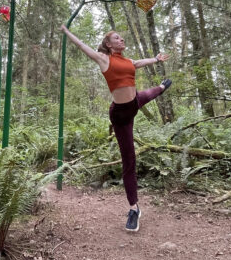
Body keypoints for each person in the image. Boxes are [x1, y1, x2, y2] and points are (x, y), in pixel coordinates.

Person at [60, 25, 172, 232]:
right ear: (108, 44)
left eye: (121, 38)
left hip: (135, 103)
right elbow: (82, 45)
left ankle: (162, 87)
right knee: (129, 160)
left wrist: (156, 59)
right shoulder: (105, 59)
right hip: (120, 116)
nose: (122, 40)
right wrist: (67, 32)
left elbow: (139, 63)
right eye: (117, 39)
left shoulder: (128, 61)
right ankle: (134, 208)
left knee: (150, 93)